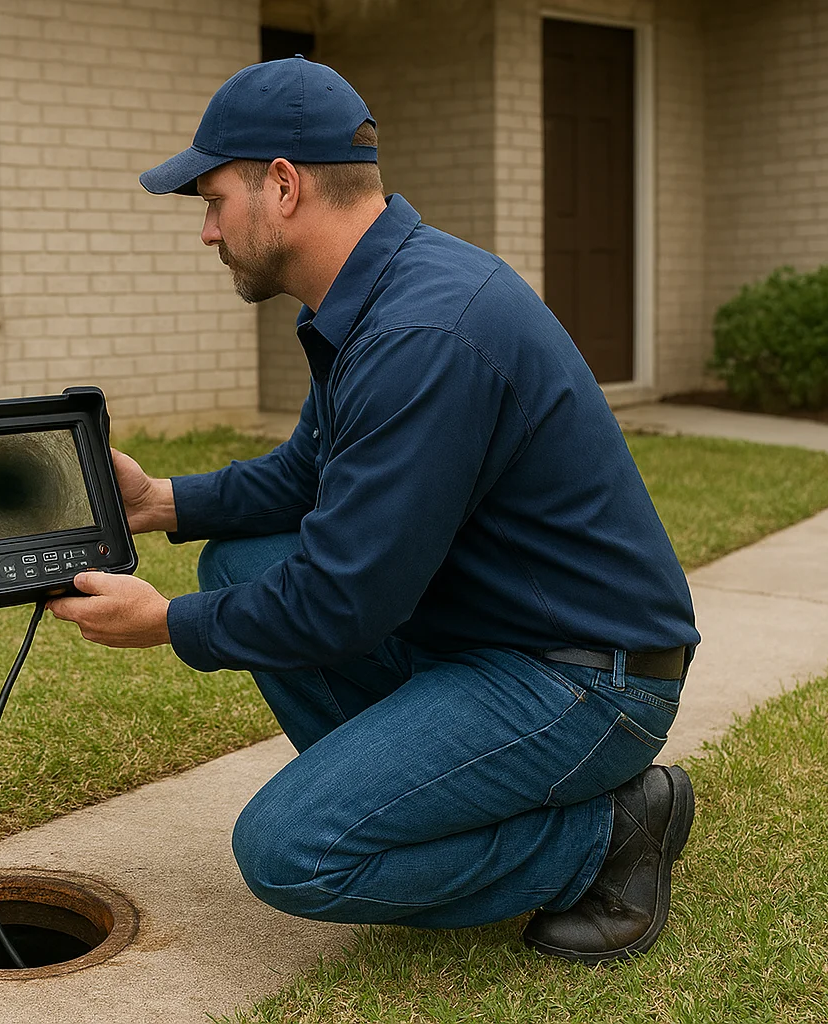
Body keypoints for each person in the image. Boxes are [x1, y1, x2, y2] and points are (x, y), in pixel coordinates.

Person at [45, 57, 699, 964]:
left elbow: (347, 600)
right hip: (491, 636)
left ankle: (611, 832)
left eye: (213, 198)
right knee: (237, 560)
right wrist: (162, 502)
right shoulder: (374, 295)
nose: (205, 231)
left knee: (291, 852)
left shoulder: (421, 333)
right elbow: (307, 478)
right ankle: (420, 795)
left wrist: (166, 624)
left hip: (585, 676)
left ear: (282, 185)